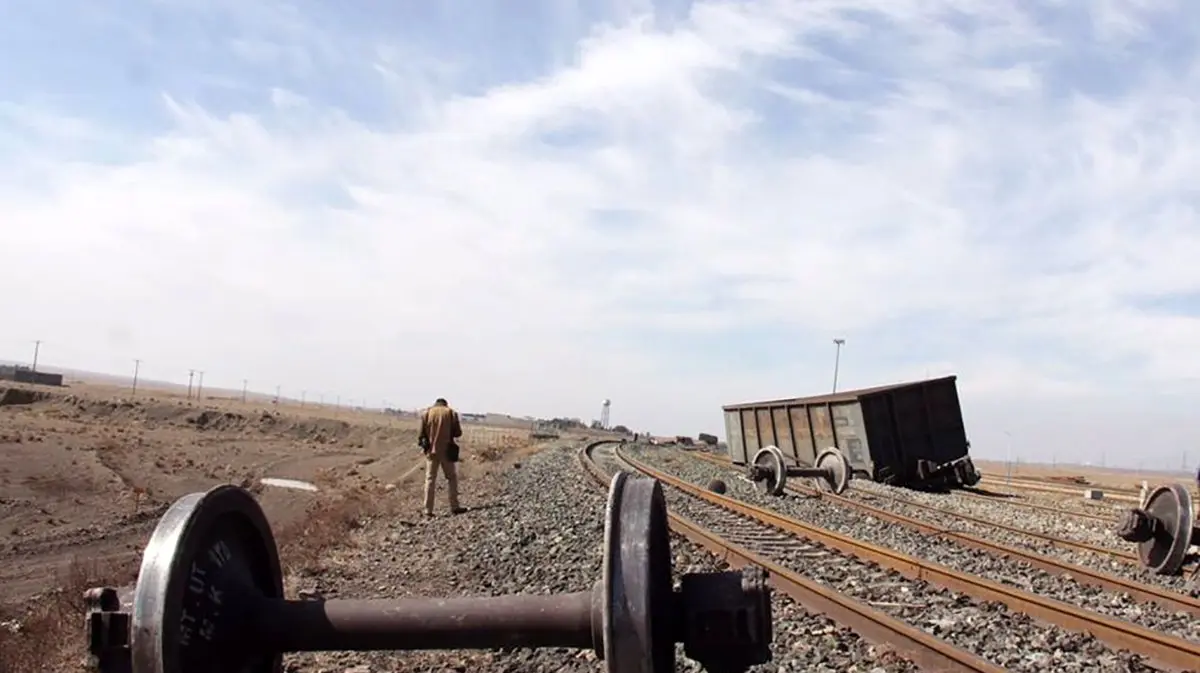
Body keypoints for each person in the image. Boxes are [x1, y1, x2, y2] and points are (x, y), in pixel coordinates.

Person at [418, 397, 466, 517]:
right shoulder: (451, 413)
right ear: (445, 404)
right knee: (451, 478)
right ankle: (454, 506)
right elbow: (458, 433)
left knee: (430, 480)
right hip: (446, 451)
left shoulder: (427, 413)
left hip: (431, 452)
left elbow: (421, 435)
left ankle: (428, 510)